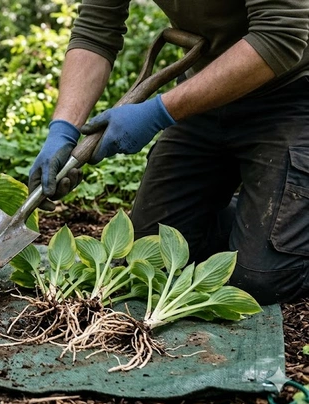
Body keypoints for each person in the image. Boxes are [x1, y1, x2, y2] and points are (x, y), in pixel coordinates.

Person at [28, 0, 309, 305]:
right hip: (208, 90)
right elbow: (96, 28)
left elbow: (280, 36)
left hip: (294, 92)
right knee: (147, 258)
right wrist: (63, 129)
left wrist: (158, 112)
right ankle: (266, 213)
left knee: (259, 278)